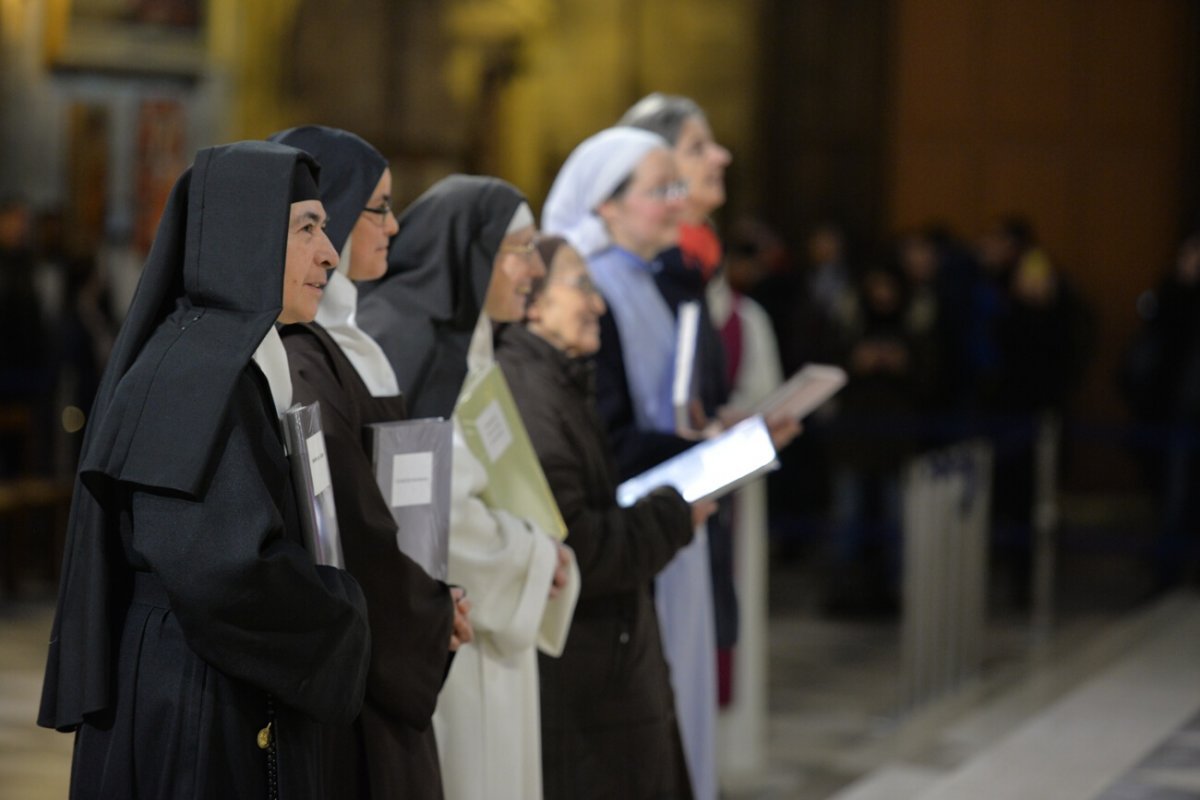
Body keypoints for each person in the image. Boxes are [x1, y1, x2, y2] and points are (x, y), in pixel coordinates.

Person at [37, 141, 372, 799]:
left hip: (205, 684)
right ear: (243, 235)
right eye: (308, 227)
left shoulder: (221, 364)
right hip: (189, 702)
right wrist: (347, 612)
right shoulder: (194, 378)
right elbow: (223, 573)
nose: (330, 253)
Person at [359, 175, 580, 800]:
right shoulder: (411, 343)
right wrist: (534, 557)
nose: (534, 268)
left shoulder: (475, 342)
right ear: (469, 250)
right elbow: (428, 508)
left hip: (492, 616)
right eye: (519, 249)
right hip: (449, 627)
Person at [268, 125, 473, 798]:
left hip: (391, 622)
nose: (393, 226)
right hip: (362, 649)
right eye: (379, 207)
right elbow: (350, 524)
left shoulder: (355, 341)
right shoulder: (302, 352)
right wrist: (429, 612)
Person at [542, 125, 722, 799]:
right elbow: (608, 434)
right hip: (625, 532)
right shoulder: (594, 291)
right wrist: (705, 450)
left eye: (680, 186)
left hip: (671, 511)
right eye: (661, 189)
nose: (679, 202)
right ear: (605, 205)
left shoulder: (654, 282)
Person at [496, 235, 709, 798]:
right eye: (582, 285)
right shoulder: (528, 392)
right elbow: (579, 547)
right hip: (588, 681)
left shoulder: (557, 379)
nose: (599, 303)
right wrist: (673, 514)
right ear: (532, 301)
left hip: (603, 668)